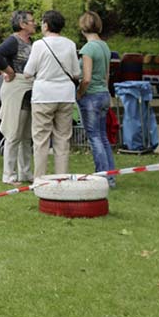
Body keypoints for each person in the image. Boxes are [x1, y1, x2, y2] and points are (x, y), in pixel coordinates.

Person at [24, 10, 80, 177]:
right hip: (65, 96)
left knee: (41, 139)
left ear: (46, 25)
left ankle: (40, 179)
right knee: (62, 139)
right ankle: (61, 177)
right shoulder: (70, 44)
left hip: (43, 95)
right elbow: (76, 73)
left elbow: (28, 72)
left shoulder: (39, 45)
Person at [0, 11, 36, 185]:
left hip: (29, 91)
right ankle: (8, 174)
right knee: (13, 133)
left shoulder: (32, 42)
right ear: (22, 24)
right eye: (31, 21)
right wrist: (9, 71)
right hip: (16, 90)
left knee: (26, 135)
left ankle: (25, 172)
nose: (35, 23)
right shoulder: (13, 40)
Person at [76, 11, 116, 187]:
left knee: (94, 137)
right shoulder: (104, 46)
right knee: (103, 137)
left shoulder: (88, 49)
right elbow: (106, 75)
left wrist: (79, 93)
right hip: (103, 94)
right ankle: (110, 176)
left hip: (91, 96)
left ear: (83, 27)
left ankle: (102, 176)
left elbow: (86, 78)